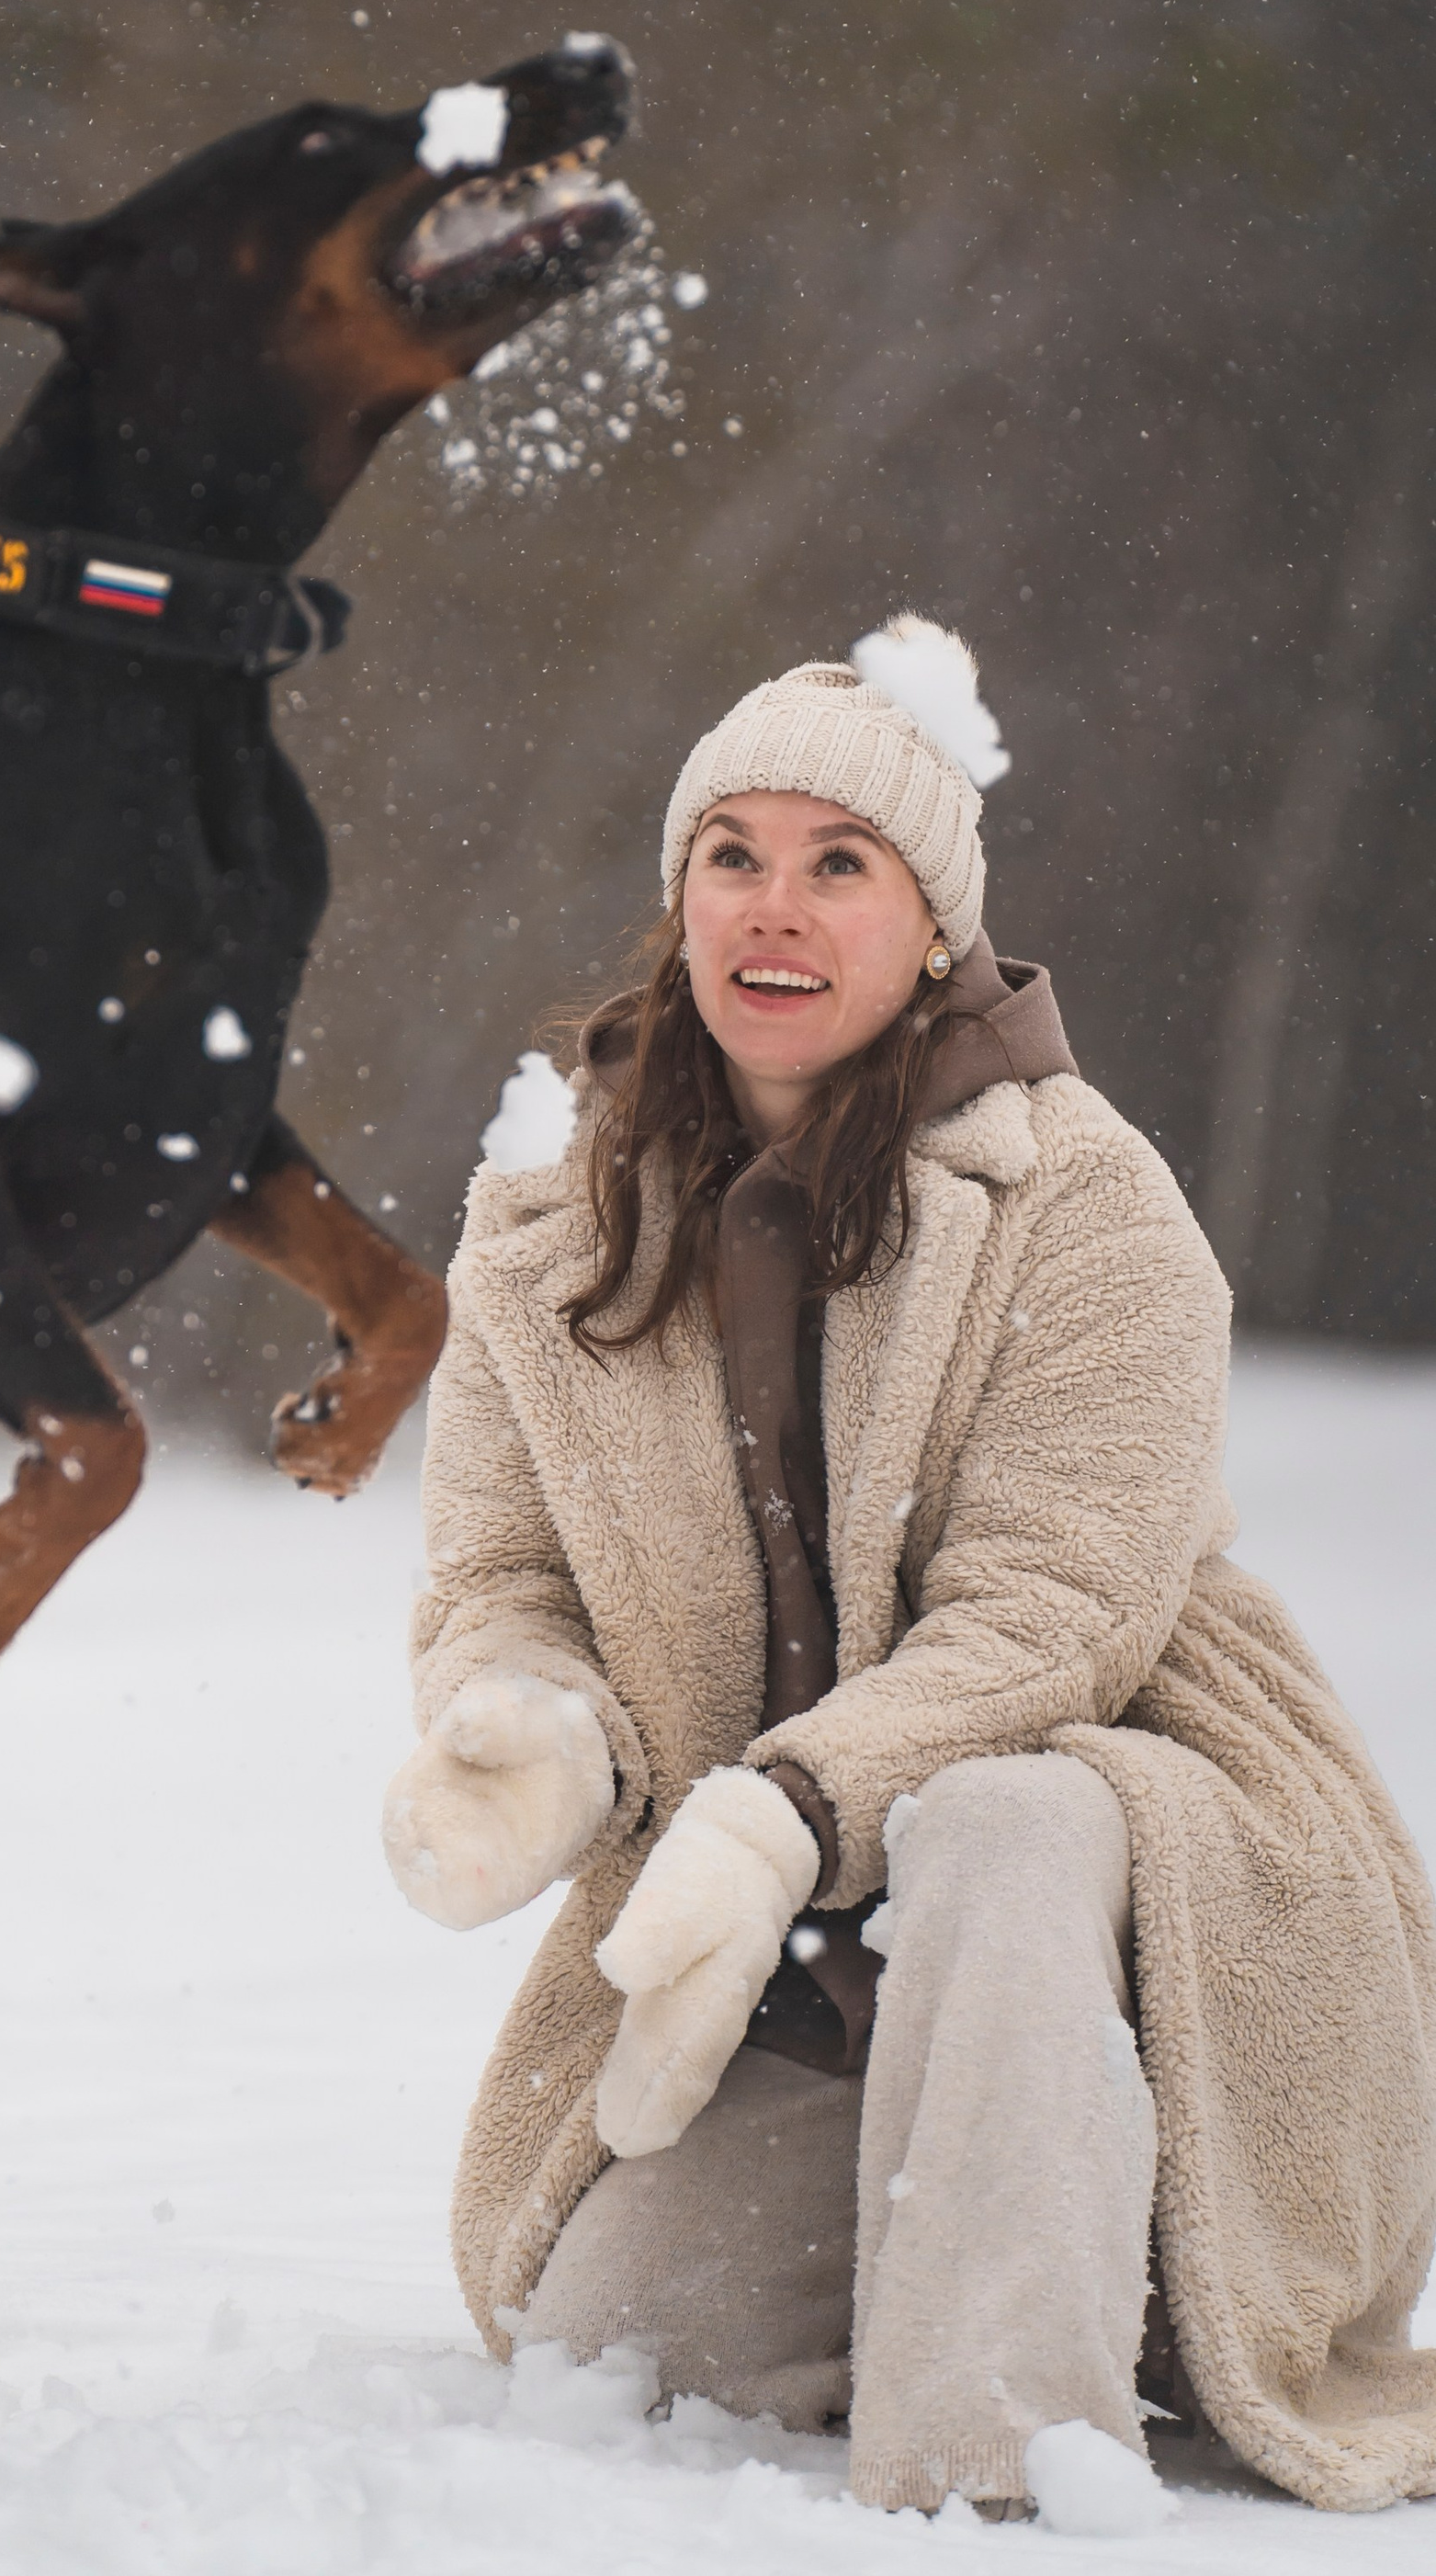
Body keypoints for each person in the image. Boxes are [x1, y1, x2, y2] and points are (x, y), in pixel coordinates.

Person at [384, 620, 1436, 2520]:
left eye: (835, 865)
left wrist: (790, 1802)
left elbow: (1055, 1621)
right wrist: (527, 1719)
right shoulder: (550, 1235)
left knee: (997, 1818)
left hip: (1143, 1872)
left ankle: (998, 2468)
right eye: (733, 857)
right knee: (625, 2345)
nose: (771, 913)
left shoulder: (1087, 1205)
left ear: (929, 925)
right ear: (679, 895)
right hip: (793, 1950)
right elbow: (497, 1562)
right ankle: (1017, 2244)